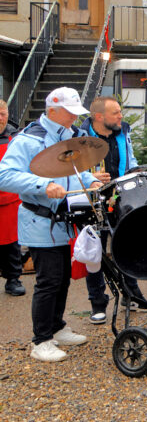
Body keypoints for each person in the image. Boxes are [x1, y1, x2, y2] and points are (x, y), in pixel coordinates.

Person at [0, 87, 101, 362]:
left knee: (63, 278)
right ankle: (41, 340)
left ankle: (56, 327)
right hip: (39, 219)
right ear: (52, 110)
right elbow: (4, 175)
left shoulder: (69, 136)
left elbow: (75, 170)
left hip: (63, 219)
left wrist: (91, 180)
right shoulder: (29, 139)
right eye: (69, 114)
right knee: (48, 281)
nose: (74, 119)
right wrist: (43, 185)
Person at [80, 96, 144, 323]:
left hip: (120, 198)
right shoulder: (80, 137)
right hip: (94, 201)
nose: (121, 116)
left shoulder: (122, 132)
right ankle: (97, 304)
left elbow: (131, 157)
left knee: (126, 246)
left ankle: (131, 295)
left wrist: (135, 170)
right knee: (94, 253)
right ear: (99, 117)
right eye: (116, 113)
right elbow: (72, 168)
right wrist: (90, 177)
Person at [0, 99, 25, 297]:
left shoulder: (16, 138)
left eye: (2, 114)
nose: (0, 118)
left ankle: (13, 278)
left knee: (11, 243)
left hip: (10, 200)